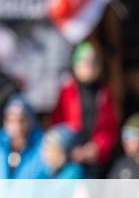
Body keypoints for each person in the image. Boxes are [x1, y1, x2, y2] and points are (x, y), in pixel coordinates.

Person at [50, 42, 118, 174]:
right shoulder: (66, 92)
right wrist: (70, 149)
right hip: (69, 156)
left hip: (96, 159)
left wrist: (96, 147)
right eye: (86, 63)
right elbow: (58, 126)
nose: (90, 68)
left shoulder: (104, 94)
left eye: (94, 63)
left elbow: (110, 129)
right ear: (76, 67)